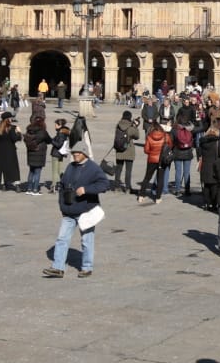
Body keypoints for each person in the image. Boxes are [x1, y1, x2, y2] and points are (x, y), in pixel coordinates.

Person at [43, 139, 110, 278]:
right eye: (73, 153)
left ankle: (86, 267)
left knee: (87, 241)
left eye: (77, 153)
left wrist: (86, 189)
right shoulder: (70, 167)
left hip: (85, 212)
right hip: (68, 211)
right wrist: (61, 204)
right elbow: (62, 185)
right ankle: (58, 267)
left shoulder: (93, 168)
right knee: (62, 239)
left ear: (84, 153)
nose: (75, 155)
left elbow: (104, 184)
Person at [22, 116, 51, 196]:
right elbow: (49, 140)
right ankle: (35, 189)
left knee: (31, 171)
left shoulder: (29, 130)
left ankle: (29, 189)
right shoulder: (43, 132)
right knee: (37, 172)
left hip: (30, 152)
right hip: (39, 153)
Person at [112, 110, 139, 194]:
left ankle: (116, 187)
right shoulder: (131, 127)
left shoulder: (118, 125)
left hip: (119, 150)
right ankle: (127, 188)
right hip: (129, 151)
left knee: (118, 169)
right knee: (128, 170)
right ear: (130, 117)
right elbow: (137, 136)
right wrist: (135, 126)